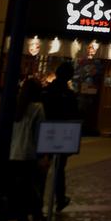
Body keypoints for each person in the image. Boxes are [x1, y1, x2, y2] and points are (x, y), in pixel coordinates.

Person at [9, 77, 47, 221]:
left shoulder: (16, 107)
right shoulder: (37, 108)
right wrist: (42, 155)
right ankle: (35, 219)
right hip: (29, 153)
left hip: (13, 153)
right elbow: (39, 133)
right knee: (32, 189)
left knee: (20, 190)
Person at [43, 61, 79, 211]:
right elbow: (74, 115)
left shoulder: (46, 91)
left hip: (46, 134)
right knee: (59, 168)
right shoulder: (69, 95)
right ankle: (59, 198)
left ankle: (38, 203)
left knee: (43, 168)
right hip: (63, 136)